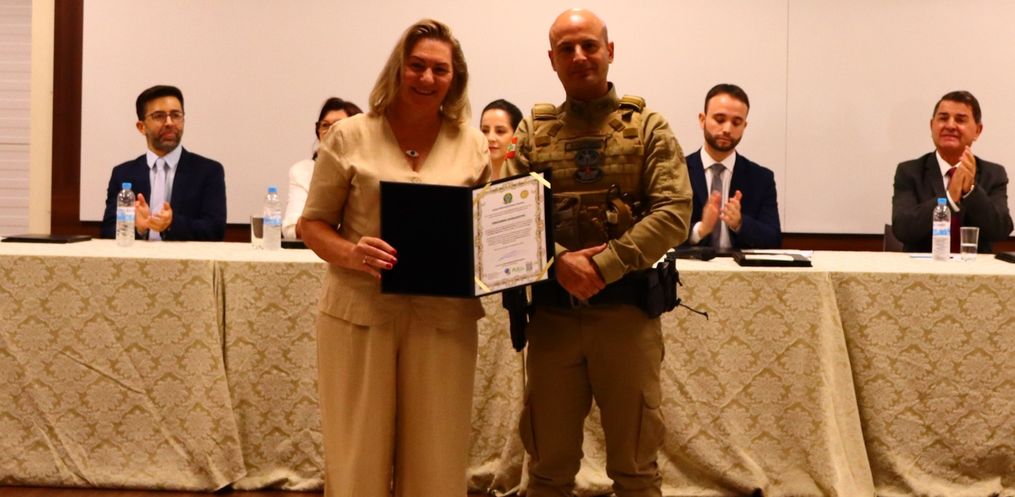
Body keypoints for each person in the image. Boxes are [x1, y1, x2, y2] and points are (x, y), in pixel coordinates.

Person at [504, 8, 691, 497]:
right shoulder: (532, 132)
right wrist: (559, 262)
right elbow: (506, 217)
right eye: (566, 48)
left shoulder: (648, 127)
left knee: (635, 469)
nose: (579, 56)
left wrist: (605, 265)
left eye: (589, 45)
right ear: (552, 59)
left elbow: (674, 212)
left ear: (610, 51)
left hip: (626, 318)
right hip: (553, 319)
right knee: (547, 469)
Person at [300, 19, 490, 497]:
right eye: (416, 65)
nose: (427, 78)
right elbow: (311, 224)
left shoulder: (474, 144)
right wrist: (352, 253)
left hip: (444, 319)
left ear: (455, 78)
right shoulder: (348, 135)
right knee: (356, 454)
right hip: (359, 314)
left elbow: (489, 231)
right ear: (397, 69)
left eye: (440, 69)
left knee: (438, 456)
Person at [100, 85, 226, 241]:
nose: (169, 123)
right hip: (137, 256)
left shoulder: (209, 171)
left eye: (176, 115)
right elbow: (107, 231)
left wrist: (171, 223)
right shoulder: (123, 174)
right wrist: (138, 227)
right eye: (159, 116)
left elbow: (215, 230)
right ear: (141, 127)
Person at [892, 90, 1013, 252]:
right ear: (932, 125)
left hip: (974, 266)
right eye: (943, 118)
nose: (950, 125)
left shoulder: (993, 174)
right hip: (923, 266)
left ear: (977, 130)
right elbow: (902, 229)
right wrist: (949, 199)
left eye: (960, 120)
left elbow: (1000, 230)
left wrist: (970, 191)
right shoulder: (909, 171)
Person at [683, 84, 781, 251]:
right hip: (689, 266)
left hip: (741, 267)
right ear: (702, 120)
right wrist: (700, 230)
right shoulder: (678, 172)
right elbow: (661, 232)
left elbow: (773, 239)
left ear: (744, 126)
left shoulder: (761, 178)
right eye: (720, 119)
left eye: (736, 122)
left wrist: (740, 223)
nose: (727, 129)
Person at [283, 97, 363, 239]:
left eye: (338, 126)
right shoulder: (302, 171)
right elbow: (290, 229)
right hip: (317, 248)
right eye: (325, 125)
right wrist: (316, 226)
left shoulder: (369, 171)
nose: (329, 131)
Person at [480, 99, 522, 180]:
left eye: (500, 131)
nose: (490, 138)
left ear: (517, 136)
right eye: (485, 131)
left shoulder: (533, 179)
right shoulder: (470, 179)